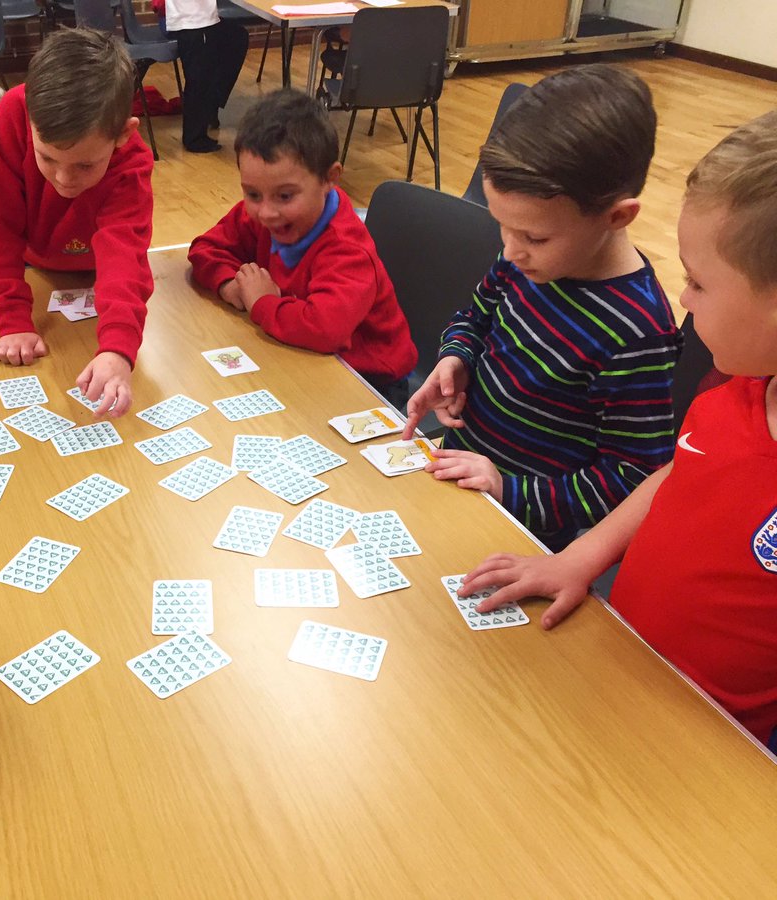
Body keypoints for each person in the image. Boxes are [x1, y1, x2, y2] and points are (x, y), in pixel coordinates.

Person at [459, 111, 777, 752]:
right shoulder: (739, 388)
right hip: (616, 664)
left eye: (697, 282)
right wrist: (580, 558)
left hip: (703, 746)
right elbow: (673, 471)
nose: (682, 300)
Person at [400, 64, 681, 550]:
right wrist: (456, 359)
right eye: (503, 227)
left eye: (533, 235)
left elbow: (632, 477)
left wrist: (508, 488)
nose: (509, 250)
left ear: (617, 216)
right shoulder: (528, 258)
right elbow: (475, 316)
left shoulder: (639, 333)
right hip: (455, 480)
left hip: (522, 533)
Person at [188, 89, 417, 406]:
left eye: (285, 196)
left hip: (369, 381)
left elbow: (325, 329)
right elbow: (205, 248)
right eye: (252, 194)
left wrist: (263, 302)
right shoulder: (266, 215)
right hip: (299, 355)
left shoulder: (347, 249)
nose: (265, 212)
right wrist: (230, 286)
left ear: (329, 179)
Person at [0, 27, 153, 419]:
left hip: (101, 277)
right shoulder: (12, 115)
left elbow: (124, 253)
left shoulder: (132, 161)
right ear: (30, 121)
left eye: (85, 164)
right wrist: (14, 319)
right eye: (47, 158)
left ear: (124, 135)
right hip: (34, 270)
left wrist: (118, 348)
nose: (65, 179)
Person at [160, 0, 248, 153]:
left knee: (236, 37)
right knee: (198, 78)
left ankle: (210, 105)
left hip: (201, 18)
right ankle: (194, 138)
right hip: (192, 21)